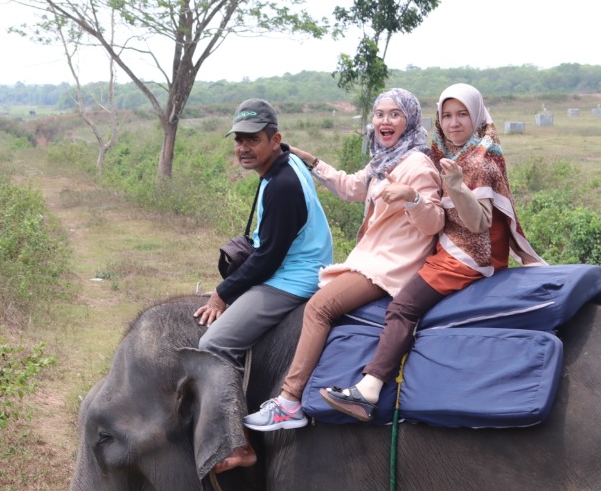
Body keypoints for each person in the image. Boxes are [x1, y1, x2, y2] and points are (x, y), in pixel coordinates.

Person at [319, 83, 546, 422]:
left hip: (469, 254)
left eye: (463, 115)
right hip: (449, 245)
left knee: (404, 306)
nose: (454, 123)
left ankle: (369, 389)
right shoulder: (452, 154)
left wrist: (454, 187)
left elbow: (478, 224)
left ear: (478, 116)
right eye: (447, 115)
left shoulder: (479, 162)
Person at [243, 88, 444, 432]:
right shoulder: (387, 159)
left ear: (410, 120)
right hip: (373, 256)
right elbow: (352, 187)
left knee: (319, 307)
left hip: (391, 263)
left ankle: (289, 401)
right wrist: (312, 161)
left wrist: (411, 198)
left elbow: (434, 222)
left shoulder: (417, 164)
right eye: (380, 114)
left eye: (394, 114)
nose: (385, 120)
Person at [196, 98, 335, 469]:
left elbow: (268, 258)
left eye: (252, 139)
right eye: (238, 139)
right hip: (290, 266)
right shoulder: (285, 161)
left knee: (214, 344)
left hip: (295, 276)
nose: (243, 148)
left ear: (275, 140)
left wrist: (222, 293)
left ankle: (237, 445)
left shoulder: (283, 185)